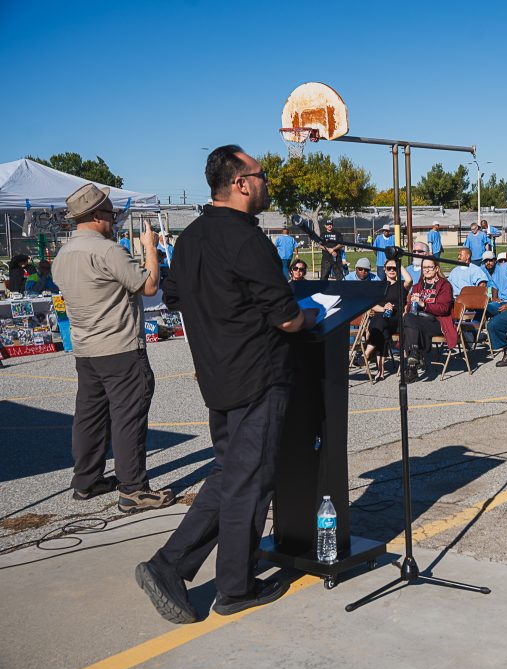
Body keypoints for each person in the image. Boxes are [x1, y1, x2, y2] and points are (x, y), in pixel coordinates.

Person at [137, 145, 320, 623]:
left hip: (217, 375)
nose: (265, 184)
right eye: (259, 176)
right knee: (250, 481)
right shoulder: (246, 239)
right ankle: (230, 586)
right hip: (257, 375)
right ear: (240, 184)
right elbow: (284, 317)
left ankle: (171, 565)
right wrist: (311, 314)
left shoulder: (193, 236)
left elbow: (175, 294)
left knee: (230, 475)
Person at [52, 182, 172, 512]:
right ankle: (133, 488)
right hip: (119, 346)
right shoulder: (107, 250)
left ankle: (86, 480)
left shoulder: (64, 254)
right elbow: (148, 286)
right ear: (96, 215)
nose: (113, 220)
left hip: (86, 348)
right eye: (110, 213)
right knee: (128, 415)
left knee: (90, 416)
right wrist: (150, 247)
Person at [403, 258, 455, 381]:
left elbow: (444, 309)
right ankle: (415, 355)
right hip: (418, 322)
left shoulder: (444, 285)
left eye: (429, 267)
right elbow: (410, 309)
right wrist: (412, 303)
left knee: (409, 323)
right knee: (409, 319)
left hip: (437, 322)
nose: (426, 270)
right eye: (424, 267)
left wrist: (424, 304)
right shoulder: (417, 286)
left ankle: (412, 367)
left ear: (436, 269)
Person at [363, 258, 412, 381]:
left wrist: (398, 263)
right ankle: (381, 371)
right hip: (382, 320)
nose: (391, 270)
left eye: (394, 268)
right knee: (381, 326)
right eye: (389, 268)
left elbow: (409, 280)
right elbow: (372, 304)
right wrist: (384, 308)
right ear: (384, 270)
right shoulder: (380, 286)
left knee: (380, 323)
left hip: (396, 320)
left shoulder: (402, 285)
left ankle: (367, 353)